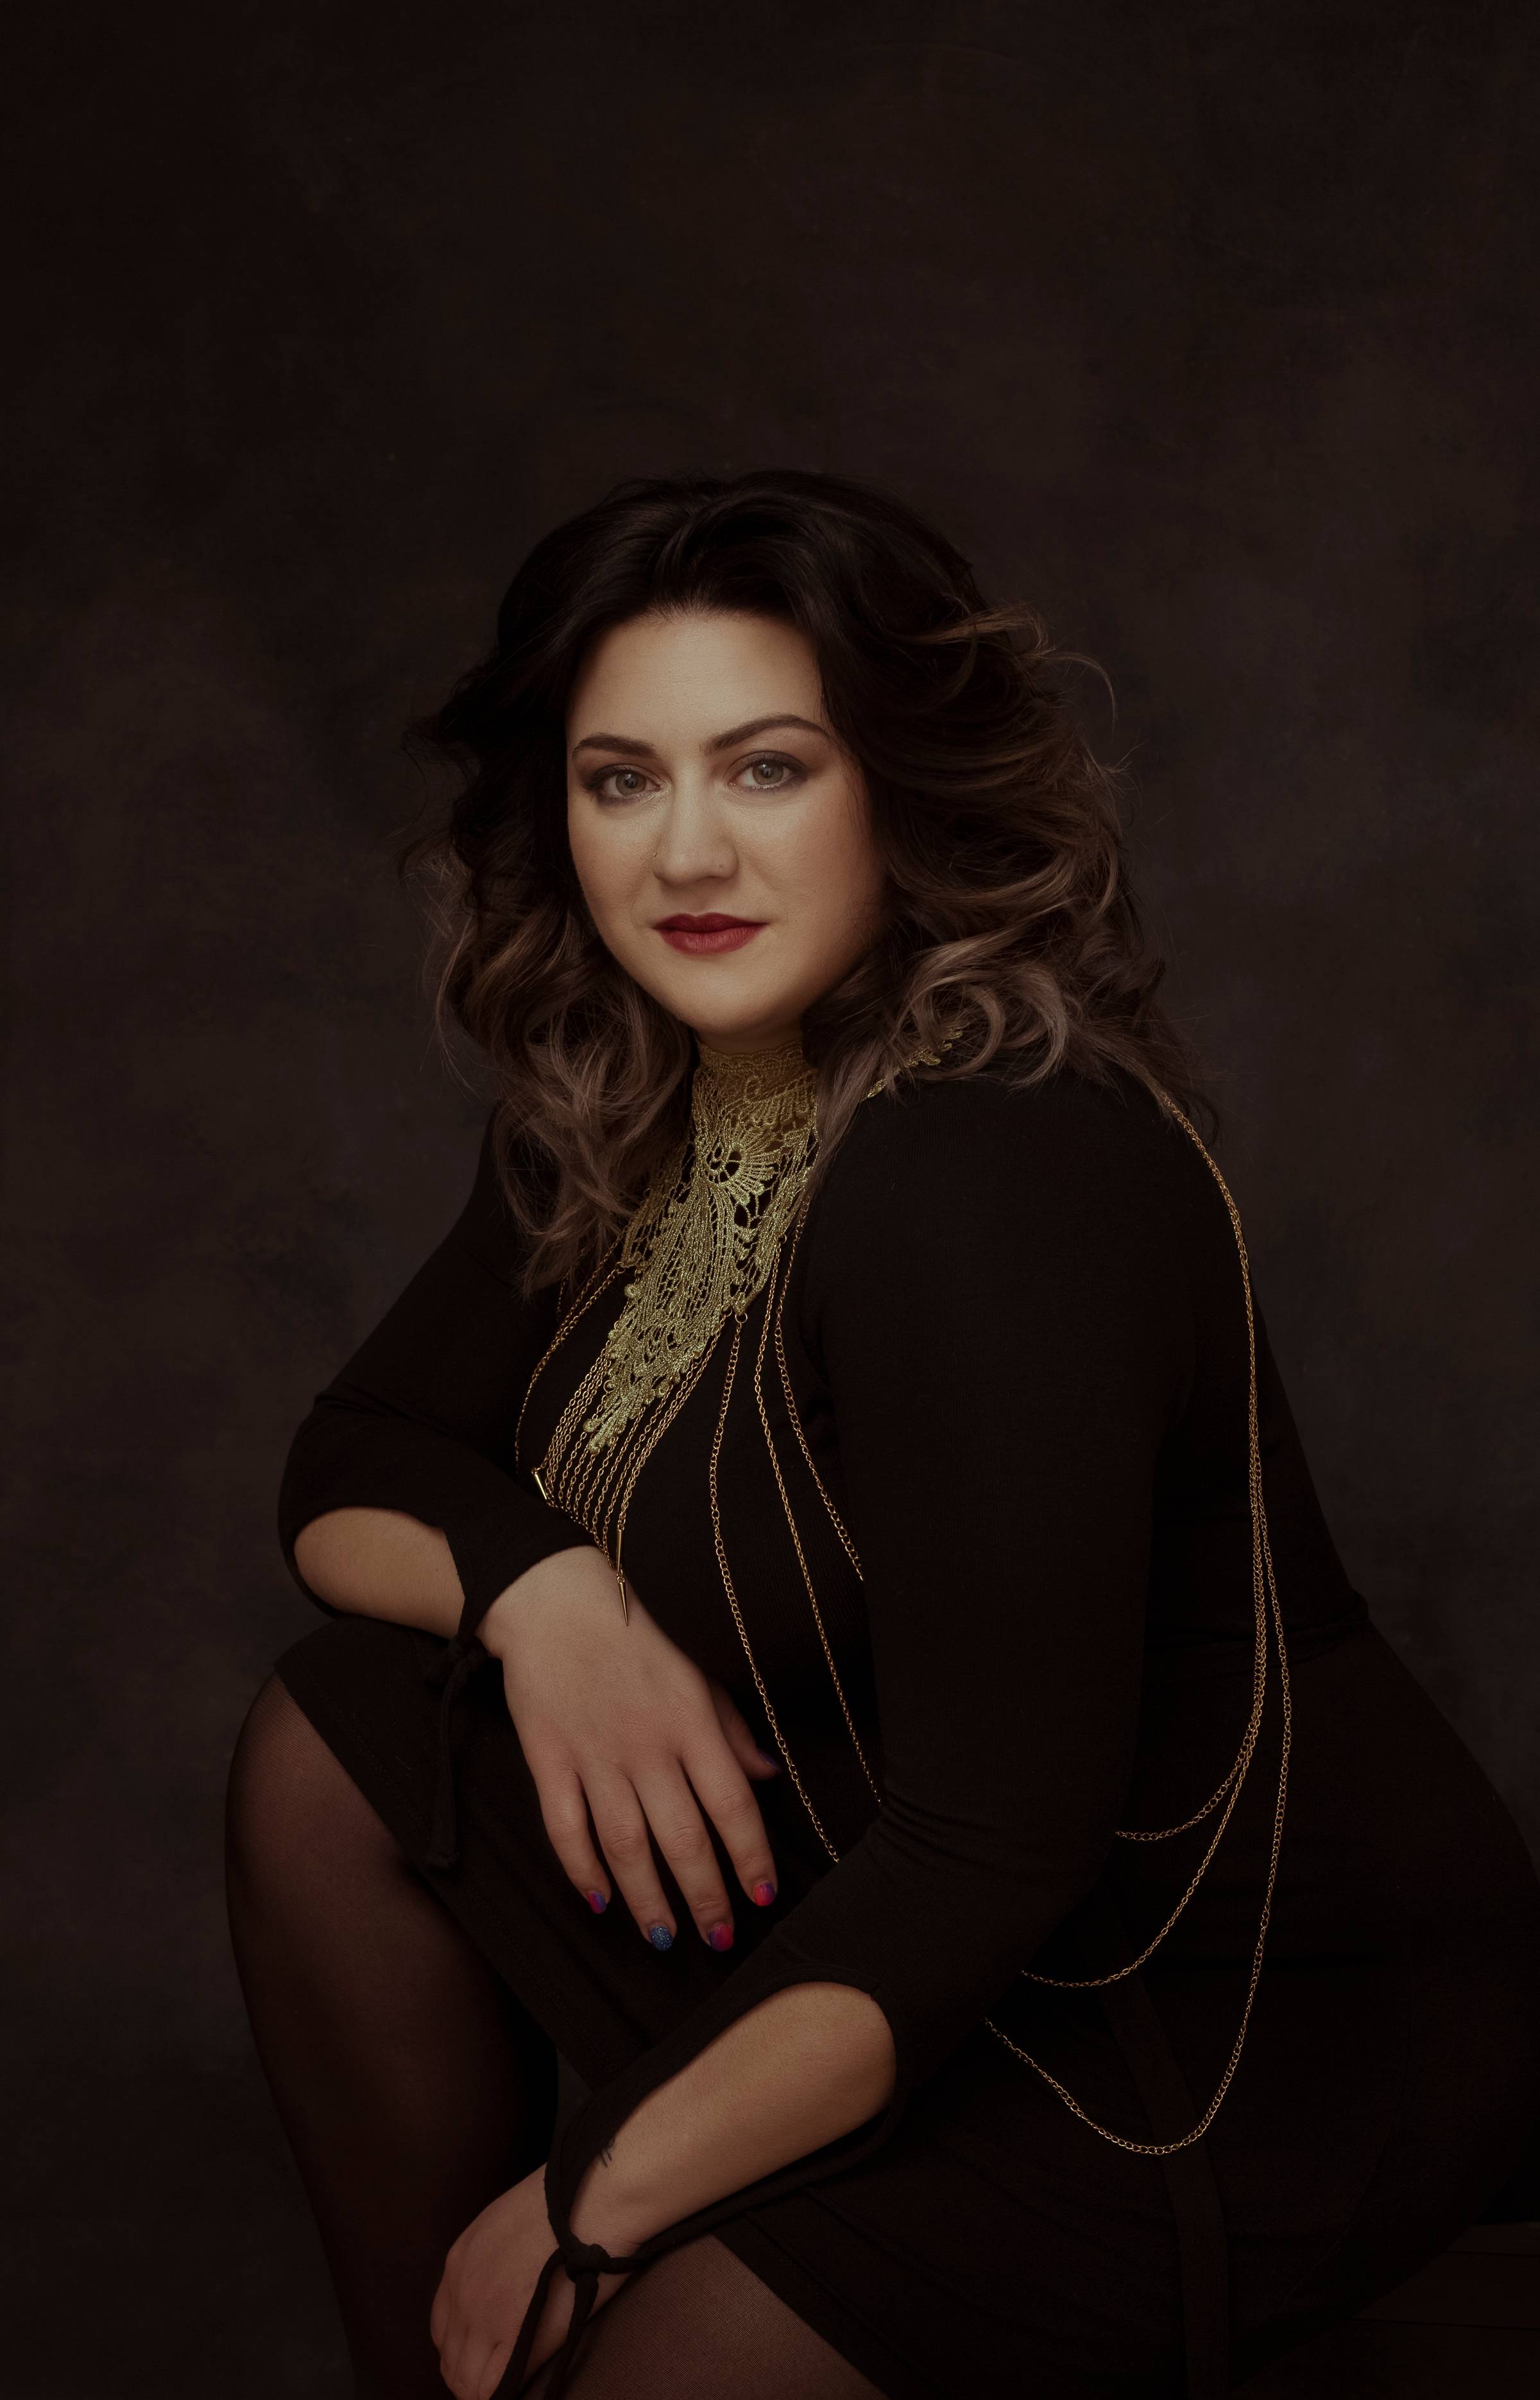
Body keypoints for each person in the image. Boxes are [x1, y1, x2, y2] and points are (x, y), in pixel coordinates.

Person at [225, 469, 1540, 2400]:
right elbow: (351, 1459)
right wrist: (545, 1597)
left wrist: (591, 2192)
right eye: (620, 780)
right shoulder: (633, 1101)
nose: (688, 850)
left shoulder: (994, 1160)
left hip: (1200, 2025)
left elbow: (990, 1858)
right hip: (893, 1911)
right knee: (337, 1743)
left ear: (900, 788)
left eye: (767, 768)